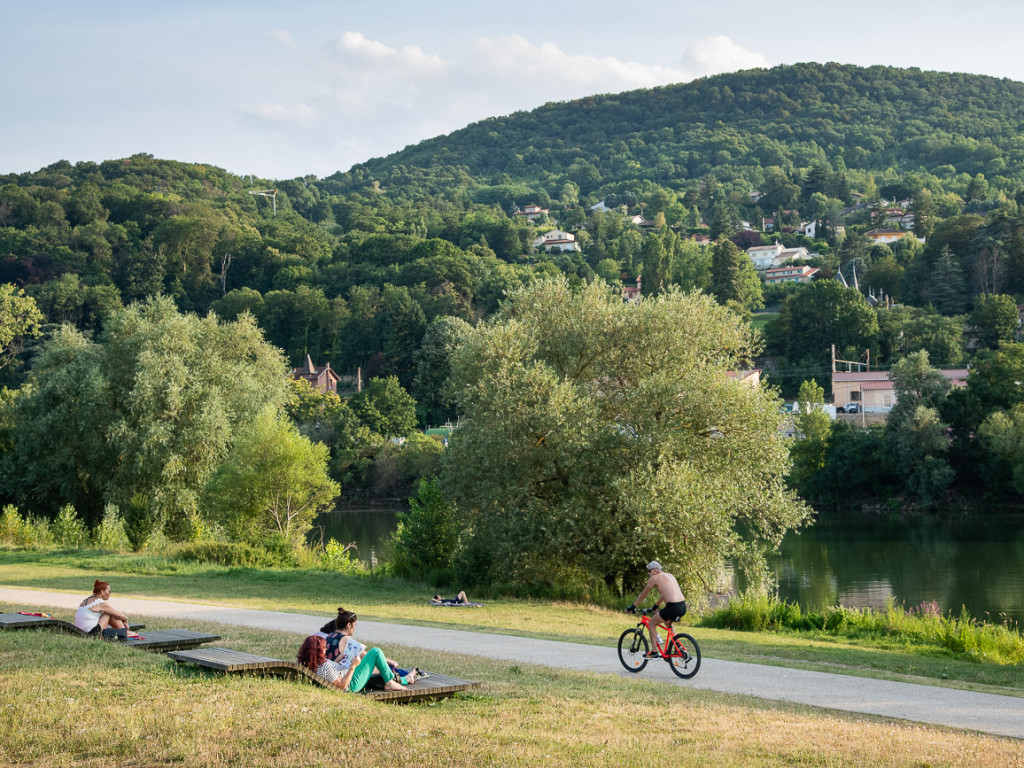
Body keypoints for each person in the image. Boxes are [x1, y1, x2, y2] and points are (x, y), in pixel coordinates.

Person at [316, 609, 417, 692]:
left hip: (339, 674)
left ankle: (404, 678)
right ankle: (392, 682)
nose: (355, 629)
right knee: (376, 653)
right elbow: (366, 655)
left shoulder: (329, 637)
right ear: (349, 625)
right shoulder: (346, 640)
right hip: (348, 678)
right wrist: (391, 662)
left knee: (378, 668)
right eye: (355, 626)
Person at [626, 561, 686, 658]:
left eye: (649, 571)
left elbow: (643, 594)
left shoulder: (654, 578)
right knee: (668, 623)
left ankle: (654, 652)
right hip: (682, 606)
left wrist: (633, 606)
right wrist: (656, 605)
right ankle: (678, 646)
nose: (648, 574)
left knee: (652, 623)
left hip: (672, 607)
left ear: (655, 570)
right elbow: (666, 593)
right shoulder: (670, 575)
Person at [73, 580, 140, 638]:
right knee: (108, 613)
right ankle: (124, 632)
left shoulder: (86, 600)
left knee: (109, 613)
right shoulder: (100, 603)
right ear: (102, 591)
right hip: (92, 634)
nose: (110, 593)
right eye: (109, 591)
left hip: (81, 632)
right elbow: (120, 615)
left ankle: (124, 632)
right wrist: (125, 621)